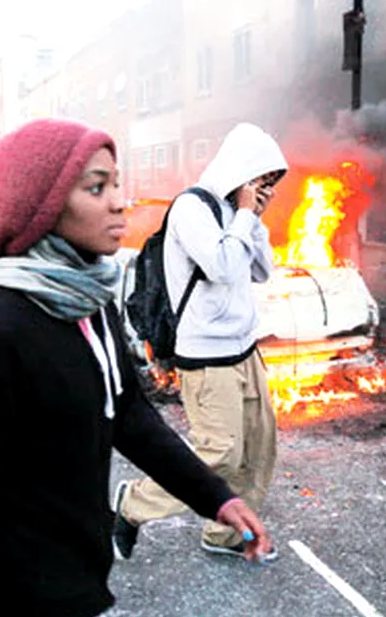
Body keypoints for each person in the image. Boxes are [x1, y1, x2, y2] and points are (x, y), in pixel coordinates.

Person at [0, 119, 272, 617]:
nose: (119, 201)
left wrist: (214, 497)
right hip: (34, 589)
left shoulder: (83, 296)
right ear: (42, 209)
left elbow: (127, 413)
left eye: (115, 183)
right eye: (96, 187)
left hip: (73, 557)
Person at [111, 123, 287, 561]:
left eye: (270, 183)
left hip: (245, 349)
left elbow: (261, 270)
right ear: (241, 171)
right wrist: (246, 215)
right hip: (207, 357)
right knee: (220, 455)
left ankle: (224, 536)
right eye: (260, 179)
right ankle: (131, 504)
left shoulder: (237, 215)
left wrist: (255, 220)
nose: (263, 188)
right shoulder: (193, 207)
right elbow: (223, 267)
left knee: (257, 451)